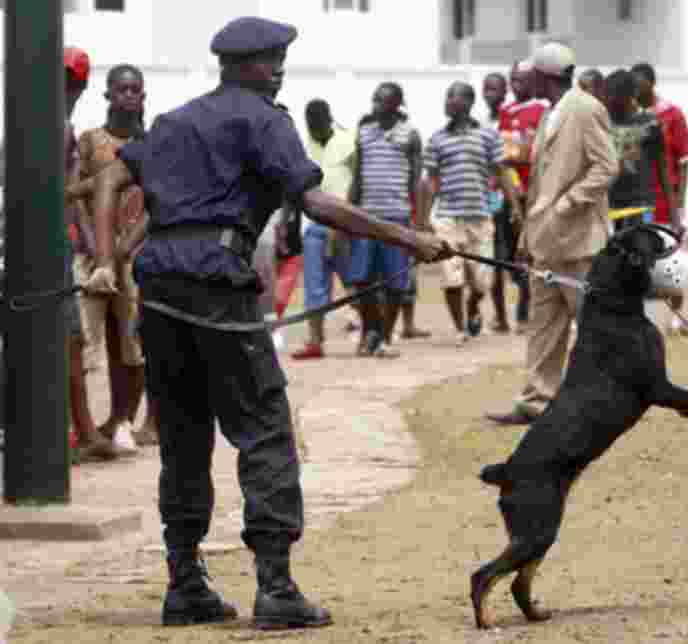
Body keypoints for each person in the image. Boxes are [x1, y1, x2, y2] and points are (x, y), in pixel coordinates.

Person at [69, 16, 448, 629]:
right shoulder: (265, 119)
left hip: (159, 285)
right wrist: (407, 237)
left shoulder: (175, 120)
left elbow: (110, 176)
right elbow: (316, 202)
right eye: (272, 60)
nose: (279, 70)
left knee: (184, 436)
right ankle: (275, 587)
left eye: (280, 59)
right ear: (245, 66)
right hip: (218, 281)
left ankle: (185, 585)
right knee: (264, 429)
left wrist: (111, 257)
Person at [486, 43, 618, 425]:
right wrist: (528, 235)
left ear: (545, 76)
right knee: (543, 327)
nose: (525, 81)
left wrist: (568, 204)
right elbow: (541, 181)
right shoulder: (551, 115)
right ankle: (536, 401)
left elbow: (605, 167)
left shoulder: (586, 108)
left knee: (593, 325)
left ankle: (606, 400)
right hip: (545, 242)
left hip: (578, 241)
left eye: (531, 76)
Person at [76, 64, 153, 451]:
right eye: (121, 89)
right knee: (85, 338)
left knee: (132, 343)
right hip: (94, 255)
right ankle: (88, 424)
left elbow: (157, 203)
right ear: (107, 94)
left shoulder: (153, 143)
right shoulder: (90, 141)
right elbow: (76, 195)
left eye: (135, 89)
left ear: (143, 96)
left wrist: (127, 247)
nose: (128, 95)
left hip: (136, 254)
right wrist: (95, 245)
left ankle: (123, 417)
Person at [423, 82, 521, 343]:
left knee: (483, 282)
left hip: (479, 216)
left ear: (467, 102)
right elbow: (431, 181)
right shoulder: (436, 139)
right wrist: (422, 219)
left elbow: (502, 173)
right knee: (451, 276)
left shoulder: (488, 136)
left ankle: (473, 305)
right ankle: (459, 328)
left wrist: (515, 206)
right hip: (446, 217)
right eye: (446, 96)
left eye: (451, 97)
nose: (446, 102)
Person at [63, 47, 120, 462]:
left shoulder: (61, 126)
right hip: (43, 248)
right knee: (67, 339)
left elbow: (67, 192)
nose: (63, 89)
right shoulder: (53, 126)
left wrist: (85, 237)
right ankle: (78, 431)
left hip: (65, 244)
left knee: (72, 340)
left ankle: (82, 429)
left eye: (69, 82)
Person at [348, 82, 422, 357]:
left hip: (397, 217)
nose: (375, 105)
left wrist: (418, 220)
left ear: (396, 104)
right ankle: (371, 331)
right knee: (362, 279)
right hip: (366, 217)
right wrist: (348, 214)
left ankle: (386, 337)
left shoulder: (410, 135)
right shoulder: (364, 133)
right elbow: (357, 178)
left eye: (381, 100)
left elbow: (416, 180)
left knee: (394, 281)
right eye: (374, 100)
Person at [290, 99, 358, 360]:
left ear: (329, 119)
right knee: (314, 287)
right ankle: (315, 342)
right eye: (310, 125)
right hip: (314, 228)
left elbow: (357, 180)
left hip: (344, 226)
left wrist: (348, 218)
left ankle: (372, 335)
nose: (314, 130)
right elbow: (295, 188)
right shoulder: (304, 147)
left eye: (318, 124)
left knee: (354, 281)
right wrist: (292, 224)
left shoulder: (348, 142)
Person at [631, 63, 688, 334]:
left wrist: (679, 203)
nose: (635, 90)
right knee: (638, 261)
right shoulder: (629, 118)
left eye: (639, 84)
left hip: (665, 199)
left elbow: (684, 161)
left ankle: (677, 316)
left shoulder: (671, 114)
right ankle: (639, 318)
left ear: (651, 83)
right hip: (636, 200)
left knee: (673, 259)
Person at [497, 59, 548, 332]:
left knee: (537, 252)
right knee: (511, 253)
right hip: (514, 193)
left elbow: (537, 154)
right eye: (513, 79)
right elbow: (505, 158)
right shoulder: (506, 112)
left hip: (539, 192)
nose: (517, 84)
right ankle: (523, 296)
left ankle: (530, 307)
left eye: (522, 79)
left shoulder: (544, 110)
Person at [603, 69, 677, 234]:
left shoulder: (650, 124)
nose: (609, 100)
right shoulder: (600, 122)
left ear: (631, 95)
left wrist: (674, 214)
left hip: (640, 205)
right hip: (606, 205)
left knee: (641, 252)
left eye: (614, 96)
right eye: (607, 95)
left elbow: (662, 168)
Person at [480, 71, 517, 334]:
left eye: (496, 89)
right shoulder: (481, 124)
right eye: (487, 89)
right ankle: (501, 315)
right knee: (495, 258)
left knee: (518, 258)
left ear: (505, 92)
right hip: (488, 198)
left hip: (514, 195)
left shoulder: (511, 121)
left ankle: (524, 309)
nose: (491, 94)